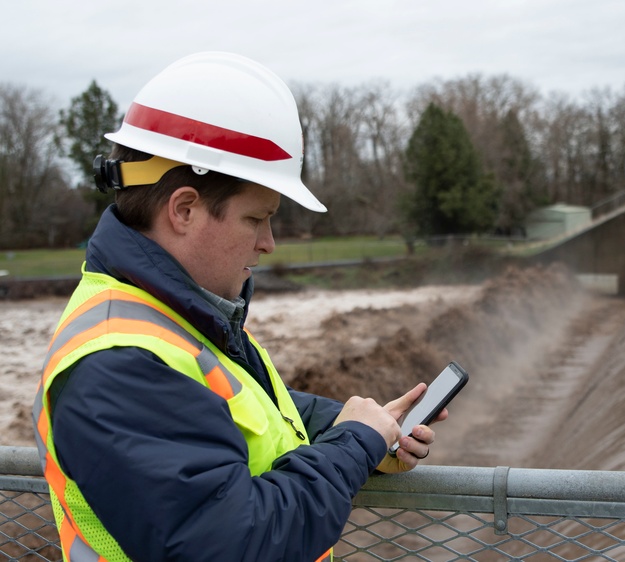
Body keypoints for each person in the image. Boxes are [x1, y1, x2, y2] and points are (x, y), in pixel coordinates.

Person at [31, 52, 444, 561]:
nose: (269, 243)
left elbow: (246, 413)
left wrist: (366, 427)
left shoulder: (175, 318)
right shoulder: (119, 364)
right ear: (184, 210)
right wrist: (353, 445)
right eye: (256, 218)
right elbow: (230, 542)